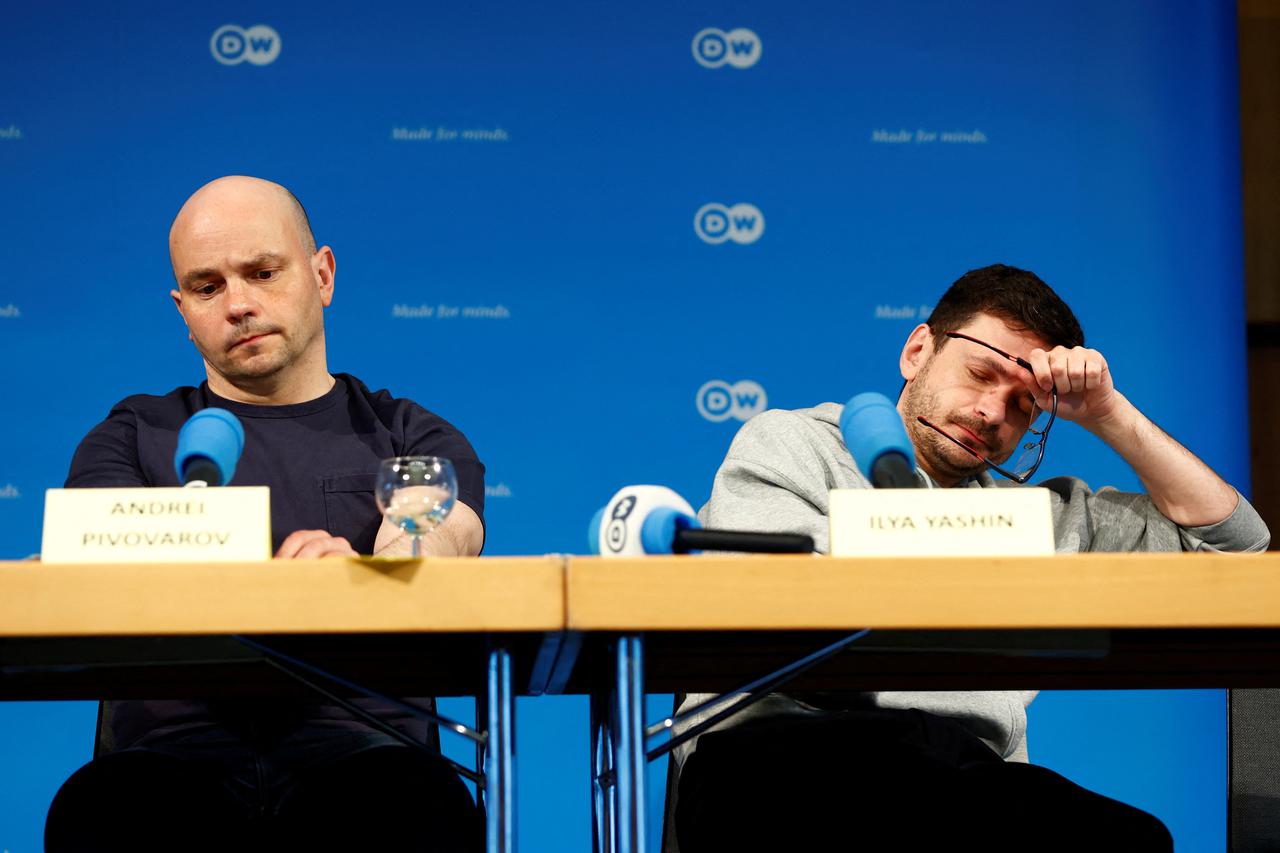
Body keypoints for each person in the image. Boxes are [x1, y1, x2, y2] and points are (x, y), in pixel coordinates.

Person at [669, 264, 1270, 852]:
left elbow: (1237, 547)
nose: (991, 412)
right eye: (981, 373)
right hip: (789, 750)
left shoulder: (1041, 517)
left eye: (1022, 405)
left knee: (1133, 841)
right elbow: (769, 600)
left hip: (963, 770)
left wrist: (1108, 413)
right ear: (917, 352)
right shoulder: (792, 443)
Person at [45, 176, 486, 852]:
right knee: (108, 811)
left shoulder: (408, 434)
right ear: (182, 310)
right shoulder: (131, 434)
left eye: (262, 272)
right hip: (170, 764)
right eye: (207, 286)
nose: (240, 304)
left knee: (415, 808)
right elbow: (93, 565)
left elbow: (438, 539)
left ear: (323, 275)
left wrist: (368, 575)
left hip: (363, 755)